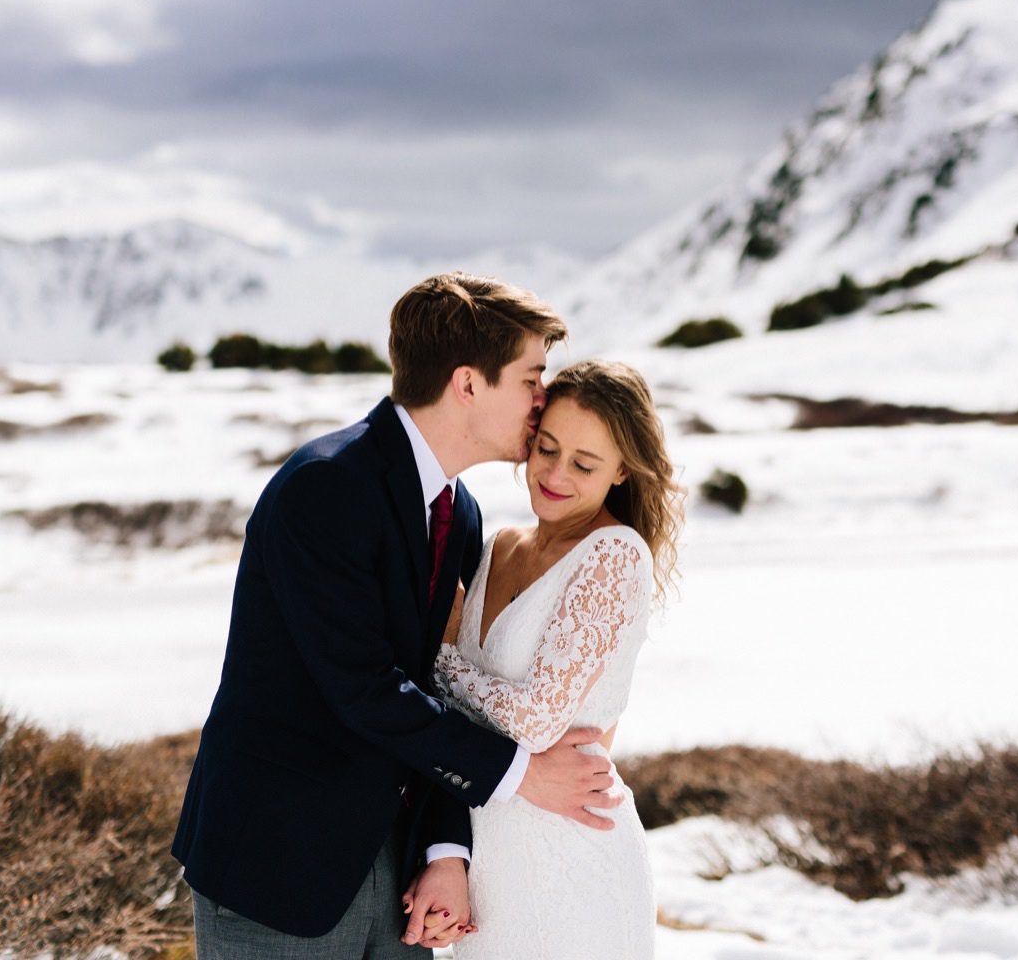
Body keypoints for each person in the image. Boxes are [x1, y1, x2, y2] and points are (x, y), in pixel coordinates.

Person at [172, 273, 624, 958]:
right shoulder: (325, 487)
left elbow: (442, 689)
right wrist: (523, 773)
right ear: (468, 383)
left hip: (406, 882)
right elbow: (365, 686)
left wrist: (446, 848)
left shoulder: (460, 512)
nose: (543, 400)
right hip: (280, 868)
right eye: (532, 378)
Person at [427, 358, 684, 958]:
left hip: (575, 859)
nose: (556, 474)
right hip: (491, 866)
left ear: (623, 470)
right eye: (547, 449)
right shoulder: (500, 546)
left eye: (584, 463)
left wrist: (441, 655)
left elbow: (535, 720)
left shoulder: (614, 555)